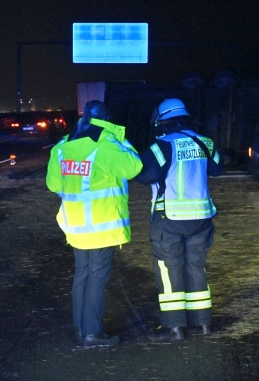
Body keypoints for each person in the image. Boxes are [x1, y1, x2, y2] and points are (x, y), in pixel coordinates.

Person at [46, 100, 142, 348]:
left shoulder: (62, 146)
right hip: (102, 225)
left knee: (82, 275)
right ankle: (92, 334)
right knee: (97, 278)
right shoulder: (107, 143)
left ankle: (80, 329)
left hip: (75, 225)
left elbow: (54, 185)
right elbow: (134, 166)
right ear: (106, 119)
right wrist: (120, 138)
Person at [136, 98, 222, 340]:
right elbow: (217, 169)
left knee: (169, 268)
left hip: (170, 219)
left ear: (162, 122)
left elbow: (143, 175)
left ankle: (175, 327)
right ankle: (203, 324)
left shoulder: (162, 145)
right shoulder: (205, 142)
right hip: (202, 219)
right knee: (196, 267)